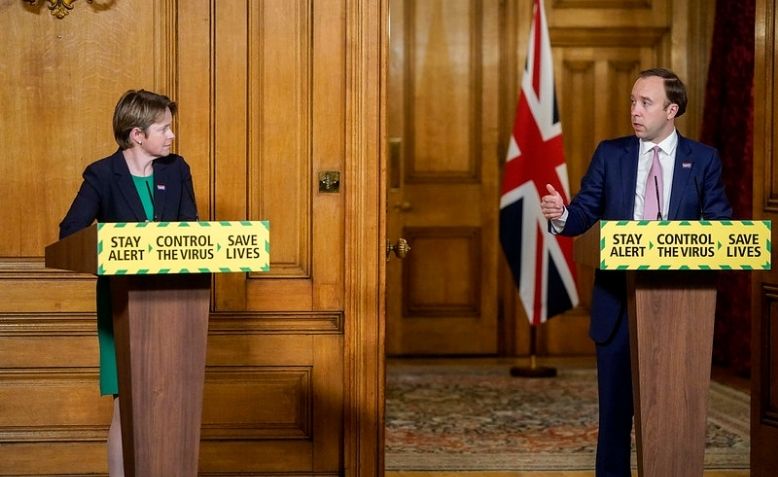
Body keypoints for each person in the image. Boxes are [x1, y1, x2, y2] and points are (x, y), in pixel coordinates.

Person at [539, 68, 731, 476]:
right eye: (632, 101)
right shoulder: (612, 153)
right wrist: (562, 215)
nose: (635, 111)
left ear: (671, 109)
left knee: (674, 410)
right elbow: (585, 211)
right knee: (614, 414)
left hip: (680, 309)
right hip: (618, 305)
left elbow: (719, 226)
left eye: (645, 103)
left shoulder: (704, 159)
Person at [59, 89, 198, 476]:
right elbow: (71, 232)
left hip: (174, 303)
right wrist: (120, 245)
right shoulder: (103, 174)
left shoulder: (176, 169)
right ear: (137, 134)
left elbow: (191, 229)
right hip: (122, 305)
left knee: (170, 400)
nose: (172, 136)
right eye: (164, 128)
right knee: (129, 403)